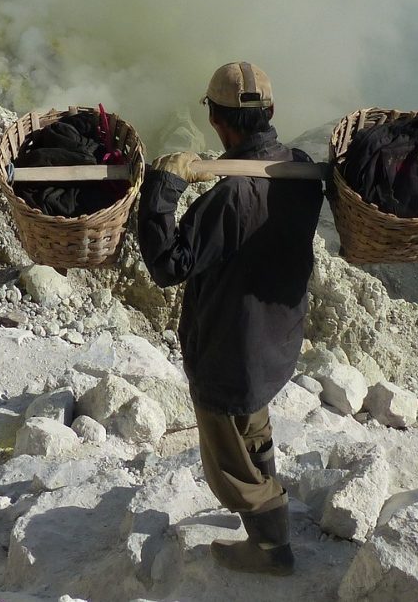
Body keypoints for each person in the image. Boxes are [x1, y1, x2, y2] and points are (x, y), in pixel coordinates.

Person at [136, 61, 323, 576]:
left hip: (227, 347)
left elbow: (167, 265)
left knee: (228, 462)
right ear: (272, 113)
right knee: (254, 423)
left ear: (218, 122)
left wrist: (163, 190)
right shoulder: (301, 171)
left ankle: (269, 545)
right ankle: (269, 518)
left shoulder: (229, 197)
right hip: (274, 340)